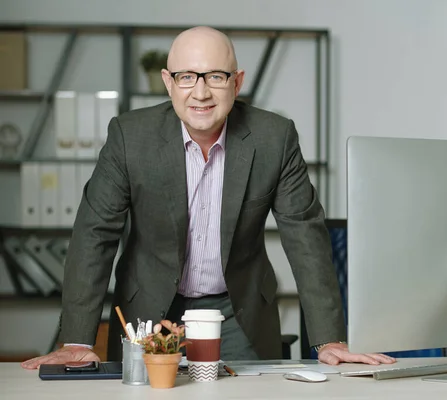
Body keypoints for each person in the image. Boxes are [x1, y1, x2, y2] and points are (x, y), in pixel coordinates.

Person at [21, 26, 396, 369]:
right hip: (151, 308)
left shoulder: (274, 138)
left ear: (237, 82)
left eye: (216, 77)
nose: (201, 93)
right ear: (168, 83)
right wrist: (76, 338)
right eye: (187, 77)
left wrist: (329, 339)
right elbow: (94, 234)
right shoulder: (129, 137)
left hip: (237, 310)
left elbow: (305, 236)